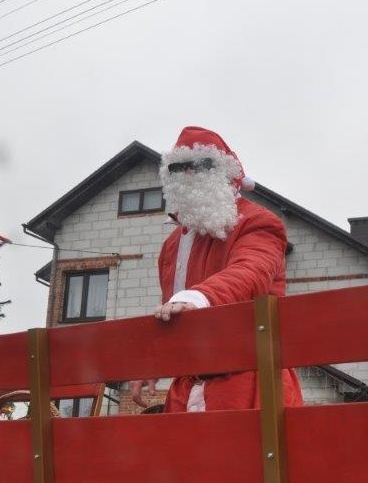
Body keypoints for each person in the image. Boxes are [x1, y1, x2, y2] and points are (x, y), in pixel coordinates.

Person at [130, 126, 304, 413]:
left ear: (225, 171)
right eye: (177, 168)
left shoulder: (258, 223)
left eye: (200, 164)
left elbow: (250, 272)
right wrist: (155, 357)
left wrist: (198, 298)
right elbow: (172, 316)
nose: (188, 174)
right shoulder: (172, 245)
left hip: (250, 384)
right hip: (187, 388)